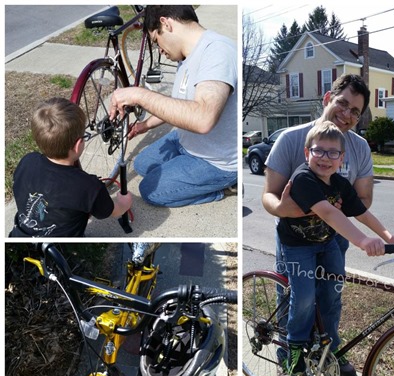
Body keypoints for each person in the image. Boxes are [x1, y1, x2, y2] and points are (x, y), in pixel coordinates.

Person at [264, 74, 373, 376]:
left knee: (331, 296)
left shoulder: (360, 147)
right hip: (295, 239)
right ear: (328, 99)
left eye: (355, 111)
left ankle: (328, 350)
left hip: (334, 238)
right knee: (296, 297)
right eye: (343, 103)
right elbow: (268, 196)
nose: (347, 114)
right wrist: (285, 209)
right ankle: (288, 357)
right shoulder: (292, 139)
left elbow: (362, 199)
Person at [278, 121, 394, 376]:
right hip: (298, 246)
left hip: (327, 243)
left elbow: (361, 212)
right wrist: (363, 241)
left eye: (332, 152)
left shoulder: (340, 183)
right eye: (318, 151)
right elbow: (327, 212)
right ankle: (294, 348)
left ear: (341, 158)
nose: (325, 158)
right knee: (303, 298)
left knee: (332, 295)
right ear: (306, 153)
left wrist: (389, 236)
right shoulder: (303, 178)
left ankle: (329, 346)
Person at [109, 5, 237, 207]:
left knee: (150, 191)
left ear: (166, 24)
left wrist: (139, 95)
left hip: (215, 160)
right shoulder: (186, 54)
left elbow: (203, 118)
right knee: (142, 165)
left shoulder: (218, 52)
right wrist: (146, 125)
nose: (160, 50)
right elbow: (181, 104)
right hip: (185, 139)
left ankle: (224, 188)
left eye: (156, 41)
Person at [10, 97, 132, 237]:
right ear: (78, 144)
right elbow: (113, 211)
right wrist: (124, 203)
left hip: (18, 235)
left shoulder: (27, 161)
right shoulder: (89, 187)